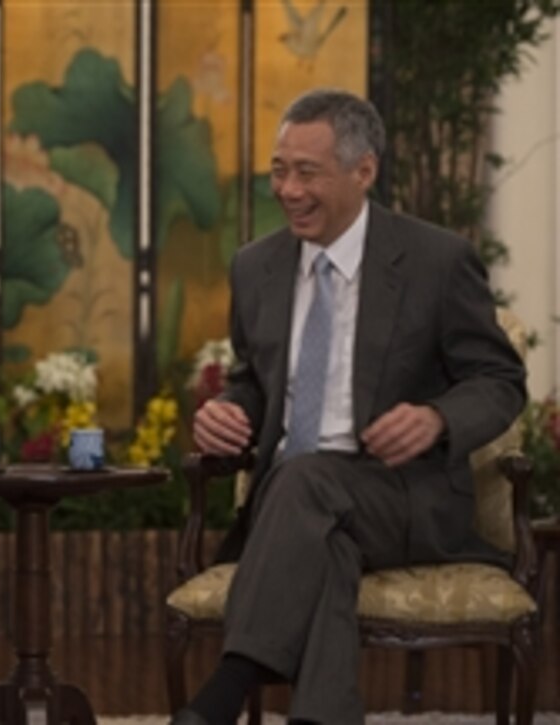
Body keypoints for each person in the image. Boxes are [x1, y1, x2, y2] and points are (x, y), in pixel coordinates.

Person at [174, 89, 526, 725]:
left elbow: (499, 379)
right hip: (300, 508)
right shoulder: (256, 267)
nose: (288, 189)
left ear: (364, 170)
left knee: (306, 481)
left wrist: (438, 418)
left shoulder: (436, 261)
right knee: (323, 540)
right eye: (279, 170)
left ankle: (225, 692)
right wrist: (227, 409)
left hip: (402, 496)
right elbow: (253, 380)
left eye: (308, 172)